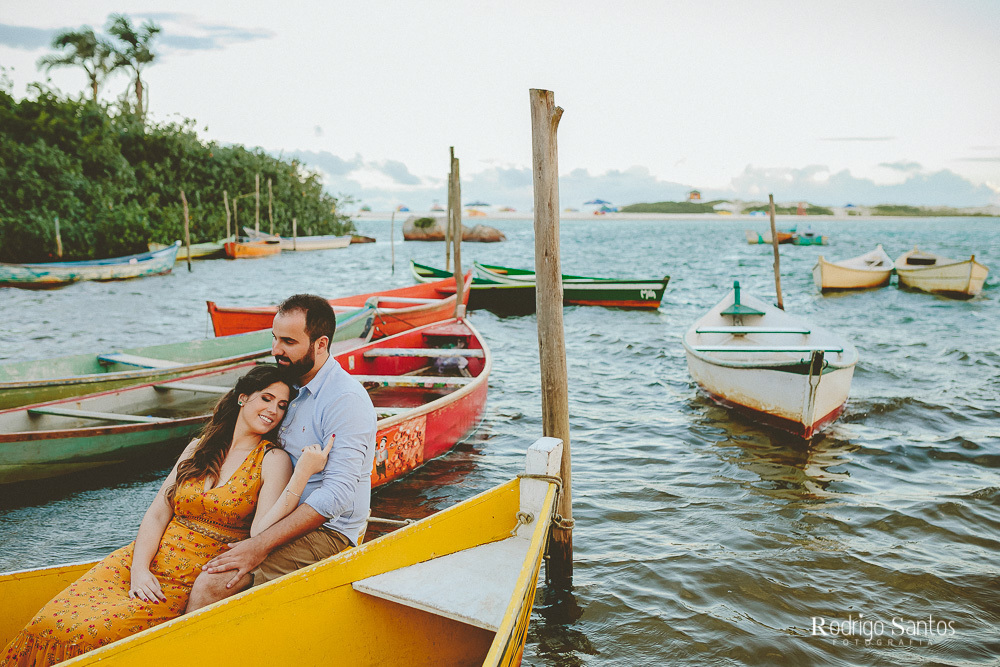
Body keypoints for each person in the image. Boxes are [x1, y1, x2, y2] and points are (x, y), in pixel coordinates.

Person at [1, 365, 331, 667]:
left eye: (282, 405)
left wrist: (301, 475)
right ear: (243, 397)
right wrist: (139, 570)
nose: (273, 410)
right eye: (267, 398)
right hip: (141, 561)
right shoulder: (199, 447)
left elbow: (261, 529)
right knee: (48, 622)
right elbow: (159, 513)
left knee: (92, 634)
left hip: (188, 576)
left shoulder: (272, 459)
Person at [185, 293, 377, 611]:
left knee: (213, 582)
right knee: (188, 552)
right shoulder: (286, 386)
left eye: (288, 341)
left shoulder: (345, 401)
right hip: (270, 512)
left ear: (320, 344)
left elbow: (338, 497)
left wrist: (259, 545)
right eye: (275, 339)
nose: (276, 350)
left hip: (327, 530)